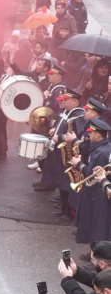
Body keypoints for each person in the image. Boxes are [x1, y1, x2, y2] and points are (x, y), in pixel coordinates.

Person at [44, 88, 85, 221]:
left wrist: (59, 137)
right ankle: (63, 208)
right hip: (60, 152)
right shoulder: (67, 111)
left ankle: (69, 213)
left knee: (67, 182)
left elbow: (76, 135)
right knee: (61, 181)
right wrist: (55, 130)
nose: (63, 101)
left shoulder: (77, 114)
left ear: (75, 101)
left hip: (69, 154)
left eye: (66, 99)